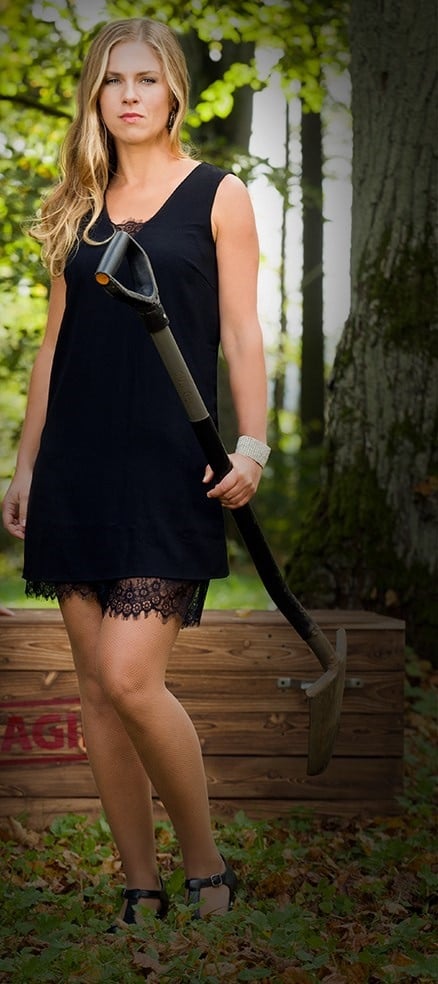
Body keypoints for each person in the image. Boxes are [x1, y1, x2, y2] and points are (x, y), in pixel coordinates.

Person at [2, 18, 270, 928]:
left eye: (145, 79)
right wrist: (25, 466)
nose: (128, 95)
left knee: (128, 677)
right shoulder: (78, 205)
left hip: (171, 468)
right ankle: (139, 886)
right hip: (75, 470)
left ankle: (206, 866)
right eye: (113, 80)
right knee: (95, 694)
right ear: (96, 96)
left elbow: (241, 333)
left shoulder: (219, 195)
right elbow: (52, 348)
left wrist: (254, 447)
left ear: (173, 92)